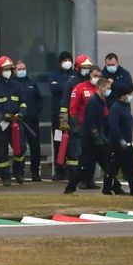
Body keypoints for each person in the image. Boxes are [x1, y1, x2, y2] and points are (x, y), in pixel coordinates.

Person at [64, 77, 113, 194]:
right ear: (101, 88)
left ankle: (113, 188)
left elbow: (101, 121)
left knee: (108, 165)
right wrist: (96, 135)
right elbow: (90, 121)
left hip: (96, 139)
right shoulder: (93, 102)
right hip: (90, 140)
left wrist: (103, 137)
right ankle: (70, 187)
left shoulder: (101, 101)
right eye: (107, 88)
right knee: (84, 167)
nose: (109, 90)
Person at [0, 55, 28, 186]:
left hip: (17, 122)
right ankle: (5, 177)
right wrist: (2, 116)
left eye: (9, 69)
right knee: (2, 151)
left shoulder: (17, 86)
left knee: (21, 148)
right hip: (2, 124)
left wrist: (21, 113)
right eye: (5, 69)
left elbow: (23, 102)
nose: (8, 71)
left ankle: (18, 173)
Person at [105, 85, 133, 196]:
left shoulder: (126, 106)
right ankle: (107, 189)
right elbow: (114, 126)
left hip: (127, 143)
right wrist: (120, 140)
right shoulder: (115, 108)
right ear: (122, 96)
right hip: (117, 144)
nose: (130, 96)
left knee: (132, 166)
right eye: (128, 94)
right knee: (113, 168)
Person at [14, 59, 43, 182]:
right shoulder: (13, 84)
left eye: (23, 69)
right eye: (19, 69)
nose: (22, 71)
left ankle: (35, 172)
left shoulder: (31, 83)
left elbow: (40, 99)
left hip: (32, 120)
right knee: (19, 146)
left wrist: (35, 112)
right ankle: (18, 171)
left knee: (35, 146)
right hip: (19, 120)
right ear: (15, 71)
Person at [48, 51, 75, 181]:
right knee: (58, 141)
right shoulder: (54, 75)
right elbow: (54, 89)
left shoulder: (75, 75)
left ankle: (71, 170)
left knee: (71, 142)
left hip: (71, 114)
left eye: (69, 60)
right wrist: (68, 85)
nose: (67, 62)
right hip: (58, 115)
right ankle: (59, 169)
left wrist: (64, 85)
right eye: (65, 60)